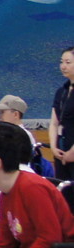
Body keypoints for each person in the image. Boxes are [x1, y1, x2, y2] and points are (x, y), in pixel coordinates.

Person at [54, 48, 74, 183]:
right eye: (62, 62)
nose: (63, 66)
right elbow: (54, 122)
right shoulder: (61, 91)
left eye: (68, 62)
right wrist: (54, 148)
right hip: (61, 151)